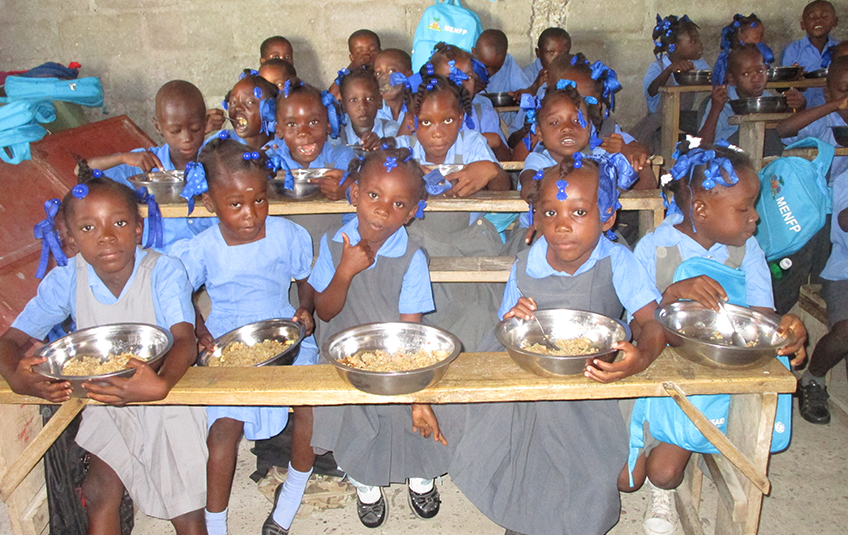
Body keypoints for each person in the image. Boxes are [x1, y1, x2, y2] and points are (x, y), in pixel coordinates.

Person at [437, 153, 667, 535]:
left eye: (579, 213)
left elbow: (652, 321)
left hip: (594, 383)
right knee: (520, 452)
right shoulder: (526, 264)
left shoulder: (618, 261)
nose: (562, 227)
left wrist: (640, 357)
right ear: (535, 217)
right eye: (550, 214)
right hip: (535, 379)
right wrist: (515, 317)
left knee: (588, 467)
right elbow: (505, 326)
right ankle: (525, 519)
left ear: (607, 216)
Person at [0, 175, 207, 534]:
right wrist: (16, 377)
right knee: (99, 492)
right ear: (71, 238)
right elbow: (9, 341)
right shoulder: (68, 280)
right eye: (88, 227)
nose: (106, 236)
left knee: (185, 510)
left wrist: (160, 385)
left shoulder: (162, 272)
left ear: (139, 229)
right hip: (103, 402)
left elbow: (184, 340)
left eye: (120, 222)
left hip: (165, 401)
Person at [624, 142, 807, 535]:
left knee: (666, 470)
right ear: (701, 210)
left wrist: (786, 328)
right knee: (637, 478)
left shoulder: (747, 250)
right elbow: (638, 331)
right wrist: (671, 295)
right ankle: (672, 442)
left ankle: (692, 451)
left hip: (724, 373)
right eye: (744, 208)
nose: (755, 218)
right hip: (663, 371)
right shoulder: (655, 250)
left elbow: (760, 317)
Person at [170, 138, 319, 535]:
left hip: (283, 332)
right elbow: (176, 293)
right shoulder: (202, 249)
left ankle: (289, 498)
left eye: (259, 200)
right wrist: (200, 330)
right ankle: (215, 524)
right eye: (235, 204)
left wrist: (305, 309)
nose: (251, 215)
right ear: (209, 203)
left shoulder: (287, 235)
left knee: (311, 408)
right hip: (227, 338)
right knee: (223, 430)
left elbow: (305, 281)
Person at [307, 148, 447, 528]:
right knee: (353, 419)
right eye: (373, 196)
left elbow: (411, 333)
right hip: (343, 353)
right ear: (354, 194)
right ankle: (366, 485)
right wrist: (345, 271)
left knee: (409, 418)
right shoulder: (334, 244)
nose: (383, 210)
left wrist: (418, 397)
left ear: (413, 210)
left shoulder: (411, 258)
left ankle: (421, 480)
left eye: (398, 203)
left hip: (396, 353)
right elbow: (325, 311)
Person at [395, 74, 510, 350]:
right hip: (417, 241)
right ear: (412, 122)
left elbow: (503, 189)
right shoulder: (403, 149)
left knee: (479, 311)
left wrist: (491, 170)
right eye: (426, 122)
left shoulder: (471, 144)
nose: (438, 131)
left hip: (470, 241)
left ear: (461, 119)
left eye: (448, 120)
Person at [778, 56, 848, 425]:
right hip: (817, 224)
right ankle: (805, 371)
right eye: (843, 91)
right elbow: (784, 129)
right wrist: (833, 107)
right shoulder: (826, 120)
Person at [84, 80, 217, 253]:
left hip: (209, 260)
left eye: (195, 128)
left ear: (206, 124)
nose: (186, 138)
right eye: (175, 131)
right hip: (161, 263)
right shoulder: (145, 164)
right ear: (158, 127)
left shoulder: (218, 159)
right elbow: (81, 171)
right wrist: (122, 158)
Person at [632, 15, 710, 154]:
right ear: (674, 47)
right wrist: (669, 70)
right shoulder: (658, 67)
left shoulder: (698, 64)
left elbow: (711, 78)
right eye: (693, 41)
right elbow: (651, 90)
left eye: (698, 39)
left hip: (683, 122)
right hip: (657, 128)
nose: (700, 44)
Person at [700, 44, 805, 147]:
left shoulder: (767, 99)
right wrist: (715, 109)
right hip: (728, 157)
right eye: (746, 74)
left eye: (760, 71)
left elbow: (786, 131)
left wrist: (798, 108)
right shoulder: (721, 102)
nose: (756, 79)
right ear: (732, 79)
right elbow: (703, 144)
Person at [427, 43, 511, 160]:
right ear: (432, 82)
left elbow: (506, 163)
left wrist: (497, 143)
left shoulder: (484, 114)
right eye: (452, 78)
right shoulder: (423, 115)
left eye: (468, 77)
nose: (462, 84)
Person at [781, 1, 840, 108]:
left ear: (835, 21)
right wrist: (795, 81)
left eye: (824, 16)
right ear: (803, 25)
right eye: (812, 17)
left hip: (836, 114)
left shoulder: (842, 49)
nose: (818, 20)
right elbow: (782, 87)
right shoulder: (793, 51)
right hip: (803, 114)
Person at [208, 71, 278, 151]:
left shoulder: (283, 149)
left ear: (268, 109)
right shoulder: (218, 146)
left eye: (249, 102)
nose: (237, 108)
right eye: (233, 102)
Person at [336, 69, 399, 149]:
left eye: (370, 99)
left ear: (379, 102)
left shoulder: (390, 128)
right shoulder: (339, 136)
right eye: (354, 100)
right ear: (343, 106)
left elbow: (393, 142)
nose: (362, 106)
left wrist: (381, 143)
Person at [328, 29, 382, 100]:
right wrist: (353, 67)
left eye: (372, 50)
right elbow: (331, 97)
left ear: (380, 52)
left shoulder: (386, 73)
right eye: (359, 52)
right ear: (352, 58)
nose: (367, 55)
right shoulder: (352, 78)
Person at [473, 29, 530, 94]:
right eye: (485, 66)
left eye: (497, 68)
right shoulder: (464, 68)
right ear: (473, 53)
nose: (489, 72)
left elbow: (524, 90)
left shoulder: (508, 62)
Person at [521, 27, 571, 97]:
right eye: (551, 52)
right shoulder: (525, 76)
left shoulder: (572, 74)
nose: (557, 58)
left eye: (563, 53)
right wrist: (534, 88)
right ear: (538, 53)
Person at [374, 48, 414, 125]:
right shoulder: (372, 111)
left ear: (408, 75)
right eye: (379, 73)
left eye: (392, 71)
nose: (385, 78)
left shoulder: (417, 107)